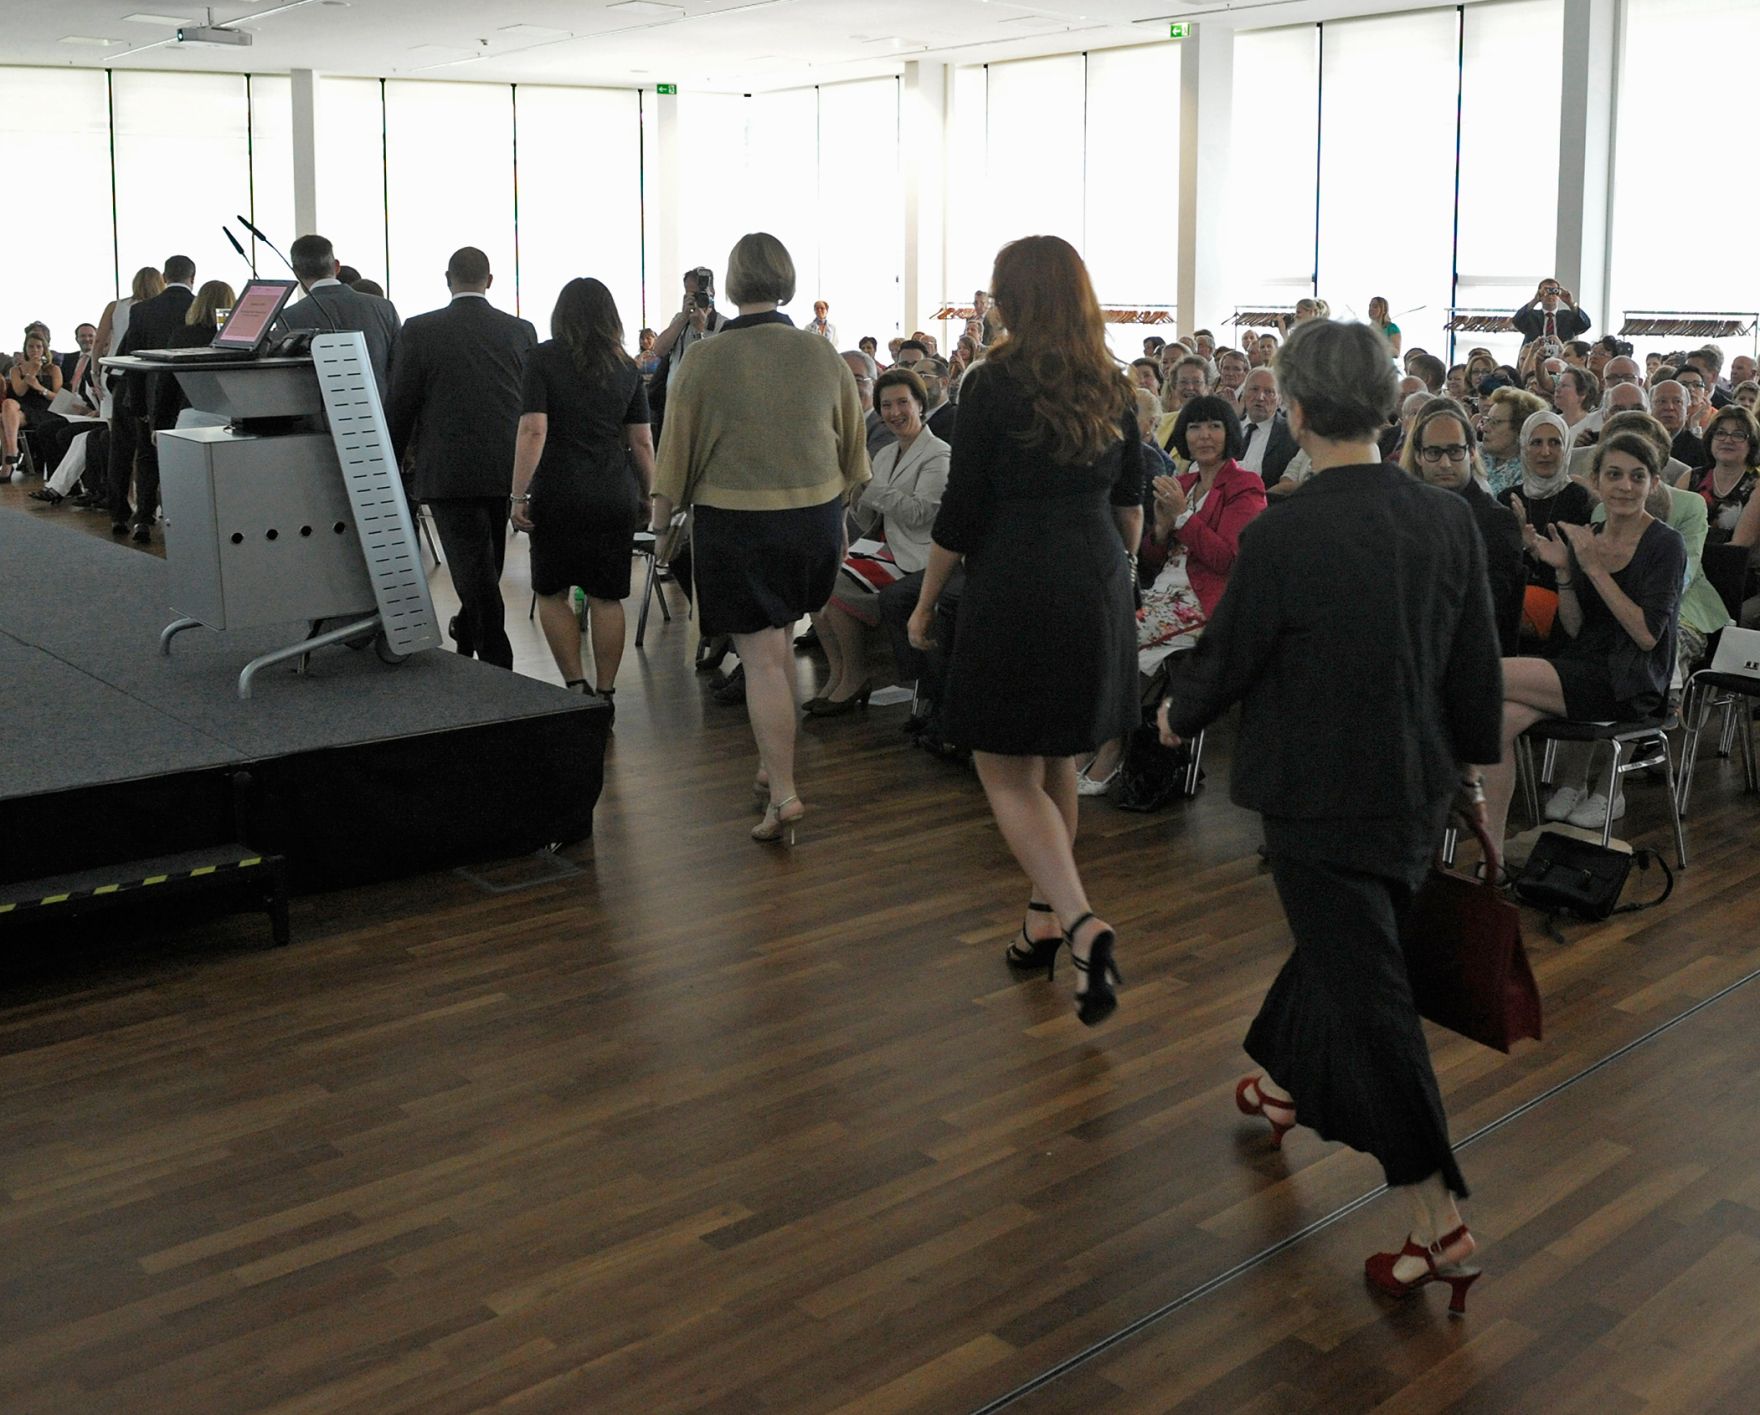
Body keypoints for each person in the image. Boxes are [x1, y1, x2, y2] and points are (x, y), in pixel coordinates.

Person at [1158, 317, 1502, 1315]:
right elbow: (1470, 665)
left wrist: (1177, 711)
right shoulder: (1446, 519)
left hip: (1316, 801)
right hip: (1413, 793)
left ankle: (1439, 1216)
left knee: (1370, 1001)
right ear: (1389, 409)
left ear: (1296, 411)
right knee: (1343, 951)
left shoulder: (1282, 532)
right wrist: (1466, 779)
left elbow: (1229, 658)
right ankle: (1276, 1084)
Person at [906, 235, 1143, 1026]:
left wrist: (923, 601)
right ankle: (1043, 915)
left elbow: (962, 512)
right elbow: (1133, 510)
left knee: (1003, 765)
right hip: (1097, 574)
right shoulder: (1114, 383)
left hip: (1018, 577)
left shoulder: (991, 385)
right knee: (1056, 757)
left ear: (1011, 300)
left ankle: (1078, 919)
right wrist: (1114, 570)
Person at [651, 232, 869, 845]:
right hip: (816, 521)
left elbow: (676, 455)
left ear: (732, 282)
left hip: (740, 524)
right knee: (776, 652)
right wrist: (841, 528)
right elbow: (853, 451)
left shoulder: (705, 358)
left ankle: (785, 793)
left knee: (765, 663)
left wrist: (661, 523)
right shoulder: (822, 354)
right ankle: (770, 765)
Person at [1480, 432, 1687, 842]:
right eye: (1614, 475)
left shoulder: (1666, 543)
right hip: (1583, 665)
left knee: (1482, 674)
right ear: (1597, 480)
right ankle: (1493, 858)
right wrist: (1564, 573)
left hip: (1631, 678)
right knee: (1493, 727)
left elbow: (1647, 636)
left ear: (1654, 483)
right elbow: (1575, 629)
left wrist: (1593, 569)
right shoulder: (1590, 533)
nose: (1625, 486)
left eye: (1637, 476)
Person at [1079, 392, 1267, 794]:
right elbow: (1150, 558)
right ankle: (1094, 739)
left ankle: (1111, 749)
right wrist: (1163, 528)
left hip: (1209, 603)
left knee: (1123, 638)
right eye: (1195, 427)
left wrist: (1182, 515)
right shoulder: (1180, 483)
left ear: (1229, 432)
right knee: (1095, 629)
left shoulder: (1245, 485)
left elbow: (1229, 561)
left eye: (1215, 426)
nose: (1204, 436)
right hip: (1163, 594)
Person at [385, 246, 538, 672]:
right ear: (490, 280)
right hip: (505, 469)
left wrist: (391, 465)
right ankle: (481, 646)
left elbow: (401, 405)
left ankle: (492, 658)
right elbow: (530, 405)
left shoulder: (419, 330)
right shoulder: (521, 331)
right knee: (487, 567)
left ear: (447, 279)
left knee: (475, 572)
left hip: (447, 470)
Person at [507, 277, 652, 703]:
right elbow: (641, 440)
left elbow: (534, 429)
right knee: (608, 597)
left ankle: (575, 686)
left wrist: (517, 495)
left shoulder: (543, 358)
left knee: (551, 591)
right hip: (613, 492)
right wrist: (649, 494)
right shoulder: (625, 365)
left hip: (559, 491)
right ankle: (606, 693)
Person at [807, 367, 949, 716]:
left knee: (836, 590)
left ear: (920, 405)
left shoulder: (938, 455)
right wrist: (855, 495)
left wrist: (870, 487)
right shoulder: (886, 454)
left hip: (914, 553)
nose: (894, 413)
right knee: (816, 584)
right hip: (881, 545)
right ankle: (838, 675)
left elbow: (920, 514)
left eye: (903, 403)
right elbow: (871, 518)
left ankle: (855, 675)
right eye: (886, 405)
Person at [1402, 399, 1525, 654]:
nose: (1445, 463)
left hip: (1469, 656)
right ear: (1419, 456)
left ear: (1471, 452)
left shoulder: (1497, 521)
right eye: (1434, 452)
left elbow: (1488, 610)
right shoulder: (1405, 515)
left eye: (1455, 451)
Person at [111, 255, 196, 543]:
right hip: (190, 397)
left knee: (147, 456)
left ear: (164, 276)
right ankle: (187, 518)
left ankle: (143, 520)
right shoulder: (198, 308)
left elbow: (132, 361)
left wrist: (137, 405)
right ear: (192, 278)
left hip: (150, 394)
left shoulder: (142, 310)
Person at [1502, 408, 1593, 639]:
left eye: (1555, 443)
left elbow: (1584, 569)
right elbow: (1499, 569)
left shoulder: (1579, 499)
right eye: (1536, 443)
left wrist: (1536, 549)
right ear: (1523, 448)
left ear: (1567, 448)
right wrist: (1523, 546)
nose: (1545, 452)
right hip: (1513, 600)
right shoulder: (1507, 499)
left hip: (1566, 602)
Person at [281, 234, 402, 398]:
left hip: (320, 420)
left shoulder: (288, 317)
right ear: (337, 266)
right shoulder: (383, 307)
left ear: (296, 273)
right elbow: (400, 368)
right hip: (380, 416)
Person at [148, 280, 237, 430]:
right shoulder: (239, 338)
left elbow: (167, 382)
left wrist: (159, 424)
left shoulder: (182, 335)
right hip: (233, 414)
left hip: (191, 412)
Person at [1676, 403, 1759, 548]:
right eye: (1720, 433)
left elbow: (1739, 545)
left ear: (1751, 443)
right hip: (1686, 560)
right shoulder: (1691, 477)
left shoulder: (1756, 485)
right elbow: (1670, 529)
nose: (1728, 440)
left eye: (1738, 435)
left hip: (1735, 564)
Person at [2, 331, 64, 475]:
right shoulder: (16, 370)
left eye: (38, 347)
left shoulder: (54, 369)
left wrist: (39, 387)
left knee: (2, 420)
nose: (34, 350)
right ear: (26, 349)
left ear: (44, 349)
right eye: (31, 347)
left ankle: (7, 465)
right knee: (8, 403)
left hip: (45, 409)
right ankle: (13, 451)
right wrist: (32, 372)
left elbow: (58, 398)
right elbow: (20, 393)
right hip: (22, 409)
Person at [1477, 386, 1545, 496]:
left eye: (1495, 422)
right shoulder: (1474, 455)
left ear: (1519, 429)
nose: (1485, 428)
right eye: (1487, 420)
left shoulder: (1527, 472)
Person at [1235, 367, 1299, 483]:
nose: (1260, 397)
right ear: (1243, 393)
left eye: (1269, 392)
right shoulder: (1230, 428)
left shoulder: (1291, 434)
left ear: (1280, 399)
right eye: (1254, 389)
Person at [1512, 276, 1591, 344]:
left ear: (1559, 293)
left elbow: (1585, 324)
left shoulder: (1568, 316)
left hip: (1562, 357)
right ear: (1539, 293)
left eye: (1554, 291)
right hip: (1534, 357)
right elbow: (1517, 320)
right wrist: (1535, 300)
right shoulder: (1531, 316)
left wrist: (1570, 303)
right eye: (1546, 290)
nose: (1550, 295)